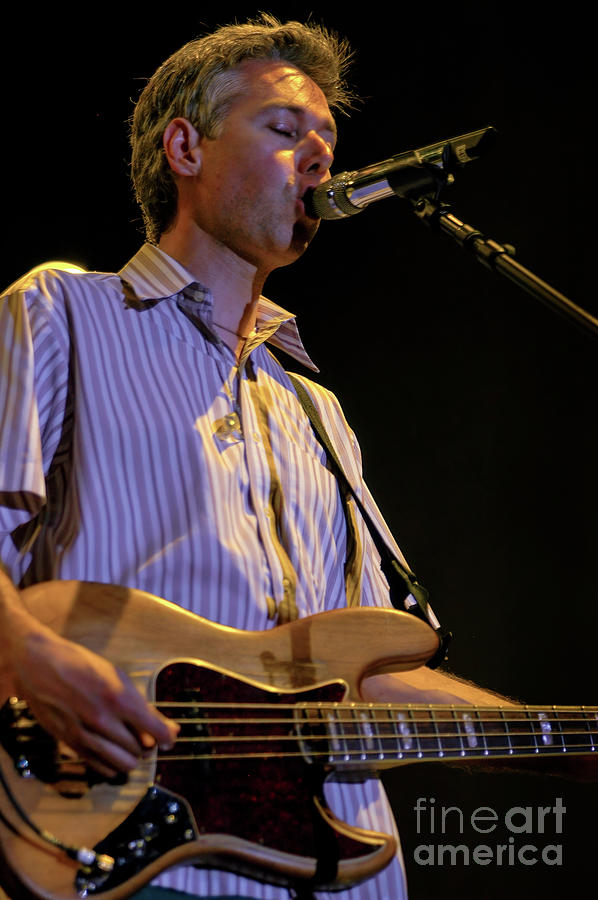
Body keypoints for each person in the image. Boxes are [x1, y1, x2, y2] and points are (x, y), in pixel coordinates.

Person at [0, 14, 585, 900]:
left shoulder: (316, 410)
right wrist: (34, 661)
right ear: (185, 147)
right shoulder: (64, 313)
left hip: (333, 877)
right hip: (130, 859)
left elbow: (367, 681)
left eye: (328, 139)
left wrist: (568, 747)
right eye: (284, 129)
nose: (319, 156)